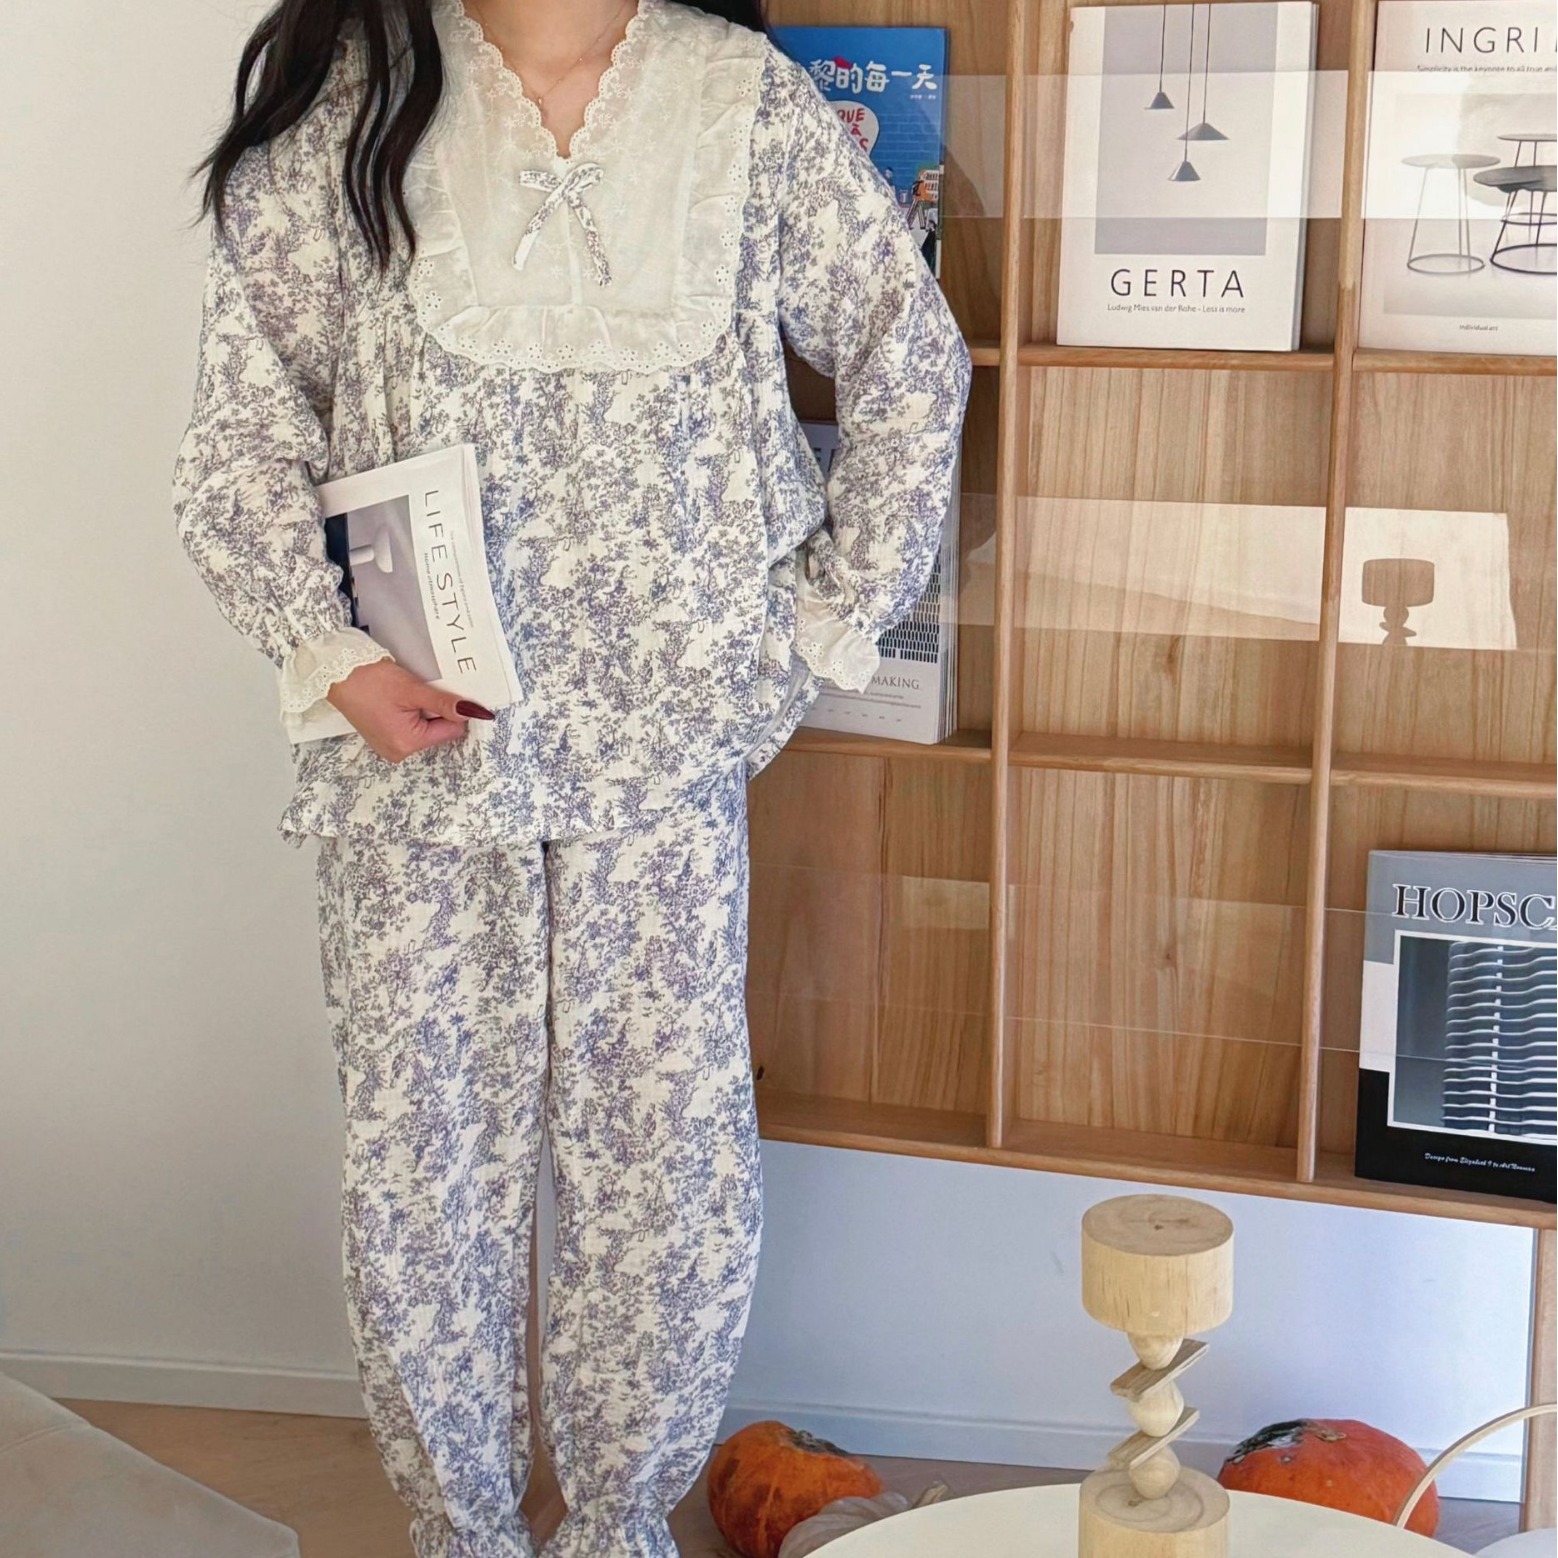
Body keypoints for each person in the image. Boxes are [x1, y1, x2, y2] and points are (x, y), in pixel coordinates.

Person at [170, 0, 971, 1554]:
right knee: (423, 1161)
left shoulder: (738, 102)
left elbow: (906, 350)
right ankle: (463, 1526)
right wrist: (329, 651)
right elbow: (242, 427)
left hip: (667, 757)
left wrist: (820, 622)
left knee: (662, 1163)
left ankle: (613, 1521)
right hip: (419, 756)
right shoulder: (359, 106)